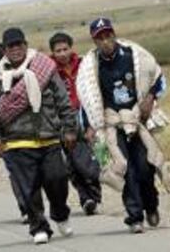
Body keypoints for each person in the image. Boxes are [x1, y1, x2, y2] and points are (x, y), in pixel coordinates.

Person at [0, 28, 78, 244]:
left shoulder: (44, 67)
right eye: (10, 46)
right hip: (17, 141)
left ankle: (60, 214)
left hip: (49, 136)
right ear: (5, 50)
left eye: (19, 44)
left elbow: (63, 100)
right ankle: (38, 227)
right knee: (29, 188)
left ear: (25, 45)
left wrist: (69, 129)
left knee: (58, 180)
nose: (15, 49)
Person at [76, 17, 169, 233]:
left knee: (145, 168)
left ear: (114, 34)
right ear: (94, 41)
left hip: (137, 119)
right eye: (100, 38)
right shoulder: (91, 67)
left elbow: (158, 78)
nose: (105, 41)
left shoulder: (134, 55)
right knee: (124, 169)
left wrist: (150, 98)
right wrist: (88, 127)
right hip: (110, 124)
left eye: (108, 35)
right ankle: (134, 216)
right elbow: (86, 99)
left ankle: (151, 205)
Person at [0, 42, 45, 224]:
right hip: (19, 131)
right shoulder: (26, 72)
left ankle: (26, 208)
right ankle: (33, 208)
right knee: (26, 170)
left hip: (1, 132)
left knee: (15, 172)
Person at [49, 32, 102, 215]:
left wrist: (93, 122)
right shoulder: (48, 70)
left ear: (71, 48)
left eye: (65, 49)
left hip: (86, 115)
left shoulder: (84, 65)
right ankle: (86, 198)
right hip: (62, 120)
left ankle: (94, 194)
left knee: (88, 160)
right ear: (52, 52)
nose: (62, 53)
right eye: (58, 51)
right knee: (71, 163)